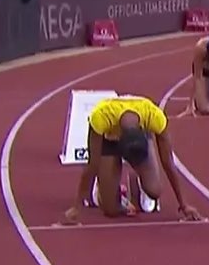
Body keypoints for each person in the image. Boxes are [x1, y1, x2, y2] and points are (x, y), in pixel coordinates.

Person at [62, 95, 201, 224]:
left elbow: (168, 163)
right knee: (111, 211)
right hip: (108, 139)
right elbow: (92, 164)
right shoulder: (100, 117)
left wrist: (184, 205)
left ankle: (138, 185)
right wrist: (76, 208)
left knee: (155, 191)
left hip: (138, 138)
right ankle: (101, 188)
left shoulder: (156, 117)